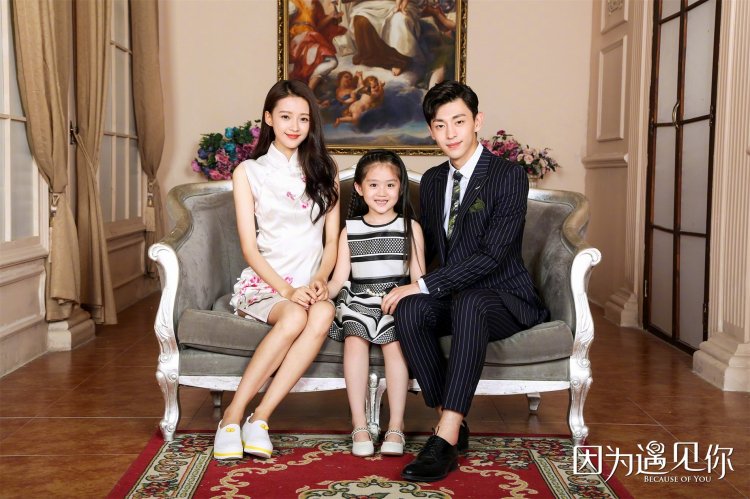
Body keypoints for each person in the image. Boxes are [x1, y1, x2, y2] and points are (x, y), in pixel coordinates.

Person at [383, 81, 549, 481]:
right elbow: (426, 245)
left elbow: (492, 256)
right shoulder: (433, 180)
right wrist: (398, 284)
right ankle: (451, 421)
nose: (450, 133)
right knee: (409, 310)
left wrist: (424, 285)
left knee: (469, 302)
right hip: (453, 295)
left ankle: (443, 439)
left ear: (478, 121)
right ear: (431, 130)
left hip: (503, 297)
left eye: (459, 121)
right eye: (440, 125)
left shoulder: (508, 176)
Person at [213, 80, 340, 460]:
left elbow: (331, 242)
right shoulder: (248, 172)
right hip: (268, 286)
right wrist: (287, 291)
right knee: (295, 317)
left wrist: (320, 280)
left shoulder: (326, 170)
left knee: (323, 313)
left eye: (303, 118)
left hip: (310, 285)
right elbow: (249, 248)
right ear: (269, 118)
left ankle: (260, 418)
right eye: (285, 117)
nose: (294, 126)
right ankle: (232, 416)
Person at [327, 150, 425, 457]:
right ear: (358, 188)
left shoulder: (410, 227)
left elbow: (420, 279)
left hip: (395, 299)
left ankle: (396, 425)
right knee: (354, 339)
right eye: (373, 185)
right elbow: (338, 279)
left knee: (394, 343)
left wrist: (405, 293)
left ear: (400, 188)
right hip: (358, 299)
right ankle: (359, 424)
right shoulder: (350, 230)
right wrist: (320, 292)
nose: (382, 193)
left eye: (390, 185)